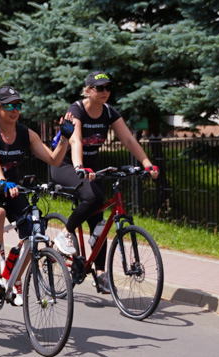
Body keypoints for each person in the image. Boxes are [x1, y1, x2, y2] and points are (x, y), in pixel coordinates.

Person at [51, 71, 160, 293]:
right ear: (88, 90)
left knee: (98, 219)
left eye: (108, 88)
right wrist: (80, 166)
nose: (105, 92)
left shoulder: (109, 112)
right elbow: (75, 140)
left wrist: (147, 163)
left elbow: (128, 139)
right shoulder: (76, 110)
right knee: (93, 197)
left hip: (91, 168)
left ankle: (100, 274)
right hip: (66, 164)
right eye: (99, 88)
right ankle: (64, 234)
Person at [0, 86, 70, 304]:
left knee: (33, 230)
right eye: (8, 105)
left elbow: (53, 159)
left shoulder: (26, 133)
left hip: (12, 188)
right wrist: (2, 181)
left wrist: (64, 138)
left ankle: (15, 277)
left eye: (17, 105)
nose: (14, 110)